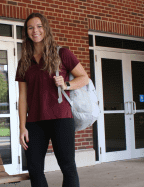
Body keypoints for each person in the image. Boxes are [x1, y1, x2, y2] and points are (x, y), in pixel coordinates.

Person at [16, 13, 89, 187]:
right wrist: (22, 127)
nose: (36, 31)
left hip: (61, 118)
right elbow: (23, 97)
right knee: (34, 168)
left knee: (67, 166)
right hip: (34, 121)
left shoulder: (62, 53)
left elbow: (84, 78)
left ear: (46, 28)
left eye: (39, 26)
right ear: (26, 32)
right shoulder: (24, 62)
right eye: (31, 27)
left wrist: (67, 85)